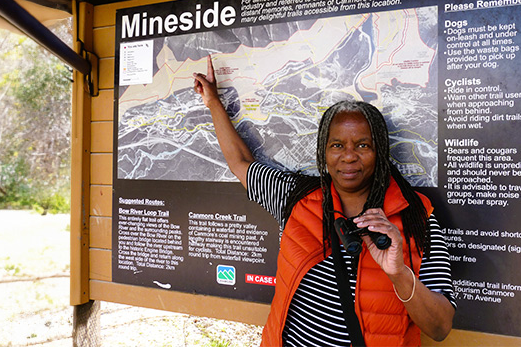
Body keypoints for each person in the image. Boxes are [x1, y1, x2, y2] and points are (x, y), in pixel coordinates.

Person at [193, 55, 455, 346]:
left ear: (379, 151)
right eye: (337, 145)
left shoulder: (416, 218)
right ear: (324, 152)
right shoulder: (296, 199)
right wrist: (214, 102)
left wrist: (398, 274)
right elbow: (240, 161)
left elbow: (440, 327)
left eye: (363, 145)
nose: (349, 156)